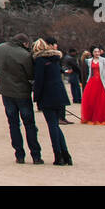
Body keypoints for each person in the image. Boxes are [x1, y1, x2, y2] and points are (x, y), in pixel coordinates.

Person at [0, 33, 43, 164]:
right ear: (25, 43)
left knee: (13, 124)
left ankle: (19, 154)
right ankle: (35, 154)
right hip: (22, 92)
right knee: (29, 124)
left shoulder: (0, 48)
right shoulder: (24, 55)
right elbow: (30, 74)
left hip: (5, 91)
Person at [32, 36, 72, 166]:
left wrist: (36, 97)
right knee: (55, 125)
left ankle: (59, 155)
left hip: (47, 95)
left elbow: (39, 81)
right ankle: (65, 154)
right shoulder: (55, 59)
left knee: (52, 125)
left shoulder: (40, 61)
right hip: (59, 94)